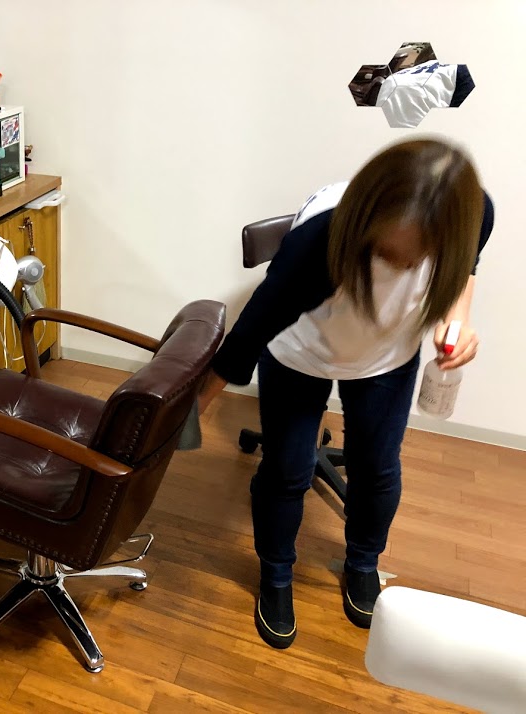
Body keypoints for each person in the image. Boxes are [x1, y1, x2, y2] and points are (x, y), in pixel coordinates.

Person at [198, 138, 494, 649]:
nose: (401, 267)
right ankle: (276, 574)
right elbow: (245, 340)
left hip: (388, 356)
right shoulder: (317, 241)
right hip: (300, 351)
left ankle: (363, 562)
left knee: (377, 468)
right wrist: (184, 416)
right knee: (285, 472)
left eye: (416, 258)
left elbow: (465, 268)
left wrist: (457, 322)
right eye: (387, 254)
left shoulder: (473, 214)